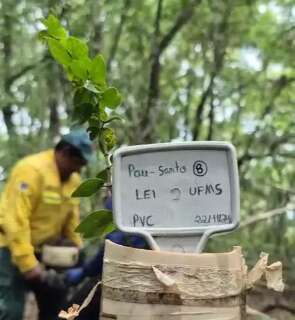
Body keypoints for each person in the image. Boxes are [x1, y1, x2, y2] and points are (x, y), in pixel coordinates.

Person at [0, 128, 93, 320]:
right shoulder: (31, 170)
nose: (78, 170)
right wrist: (28, 265)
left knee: (57, 306)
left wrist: (76, 250)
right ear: (64, 152)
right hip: (11, 249)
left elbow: (71, 220)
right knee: (11, 310)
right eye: (77, 163)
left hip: (46, 252)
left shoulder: (73, 181)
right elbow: (15, 220)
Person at [64, 195, 150, 320]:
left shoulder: (124, 204)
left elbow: (112, 247)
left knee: (71, 313)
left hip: (124, 277)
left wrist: (84, 272)